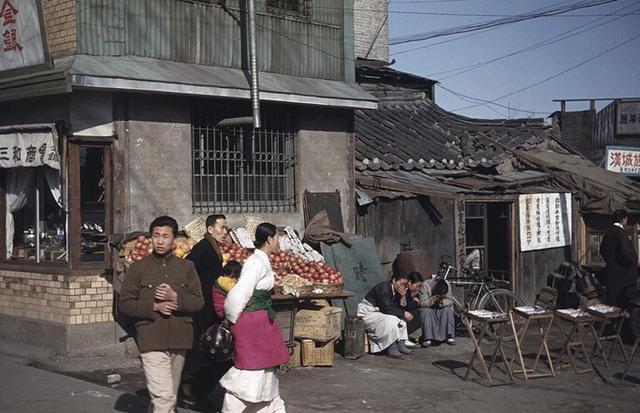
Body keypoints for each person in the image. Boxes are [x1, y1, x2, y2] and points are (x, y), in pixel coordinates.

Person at [119, 216, 204, 413]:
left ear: (174, 239)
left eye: (165, 236)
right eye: (156, 235)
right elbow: (125, 304)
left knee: (167, 398)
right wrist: (154, 307)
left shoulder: (186, 267)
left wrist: (176, 298)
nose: (160, 241)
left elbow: (198, 301)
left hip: (179, 339)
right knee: (164, 398)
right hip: (151, 338)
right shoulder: (138, 268)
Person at [219, 223, 290, 412]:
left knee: (265, 373)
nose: (279, 242)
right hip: (252, 327)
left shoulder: (261, 260)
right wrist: (231, 319)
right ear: (269, 239)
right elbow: (238, 294)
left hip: (261, 324)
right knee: (250, 372)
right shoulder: (255, 262)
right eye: (277, 237)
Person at [183, 214, 228, 405]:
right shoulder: (202, 248)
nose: (225, 232)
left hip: (210, 307)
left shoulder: (213, 247)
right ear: (210, 229)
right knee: (201, 351)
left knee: (207, 351)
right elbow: (187, 269)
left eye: (226, 228)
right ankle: (192, 391)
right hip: (202, 308)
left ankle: (196, 390)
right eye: (222, 228)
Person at [357, 273, 415, 359]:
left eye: (405, 285)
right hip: (369, 313)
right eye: (401, 283)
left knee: (401, 319)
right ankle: (392, 348)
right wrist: (404, 313)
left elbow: (399, 307)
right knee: (391, 320)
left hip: (379, 313)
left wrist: (403, 297)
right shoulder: (384, 288)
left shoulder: (396, 290)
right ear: (394, 280)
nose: (403, 286)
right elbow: (387, 308)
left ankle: (400, 344)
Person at [599, 209, 639, 307]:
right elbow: (626, 251)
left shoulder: (608, 232)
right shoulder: (620, 233)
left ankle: (613, 321)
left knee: (612, 302)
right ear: (623, 219)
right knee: (623, 300)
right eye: (626, 219)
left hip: (611, 270)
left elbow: (602, 250)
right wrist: (632, 262)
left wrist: (610, 260)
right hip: (622, 273)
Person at [418, 273, 456, 347]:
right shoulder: (426, 285)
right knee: (426, 311)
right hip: (429, 308)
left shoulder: (446, 284)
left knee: (447, 310)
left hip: (440, 308)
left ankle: (448, 336)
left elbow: (450, 300)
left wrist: (442, 302)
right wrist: (433, 299)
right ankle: (428, 338)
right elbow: (422, 303)